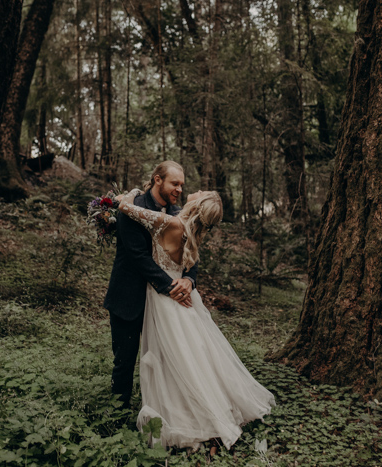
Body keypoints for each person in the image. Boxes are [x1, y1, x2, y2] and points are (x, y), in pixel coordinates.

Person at [116, 187, 276, 450]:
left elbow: (125, 208)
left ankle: (188, 414)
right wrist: (188, 280)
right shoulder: (193, 228)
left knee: (175, 357)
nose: (195, 188)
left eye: (202, 191)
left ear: (199, 203)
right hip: (187, 301)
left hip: (165, 298)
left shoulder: (171, 221)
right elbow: (188, 265)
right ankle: (209, 405)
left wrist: (131, 192)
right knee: (194, 355)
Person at [103, 161, 198, 409]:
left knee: (167, 358)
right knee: (125, 359)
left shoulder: (179, 214)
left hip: (164, 305)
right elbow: (138, 257)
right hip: (129, 296)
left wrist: (188, 279)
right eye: (174, 184)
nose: (179, 189)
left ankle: (164, 409)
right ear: (158, 180)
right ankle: (118, 414)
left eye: (181, 185)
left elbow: (191, 251)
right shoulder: (132, 207)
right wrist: (171, 287)